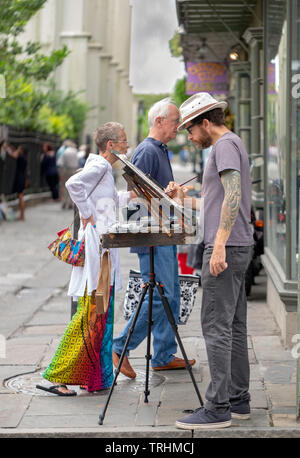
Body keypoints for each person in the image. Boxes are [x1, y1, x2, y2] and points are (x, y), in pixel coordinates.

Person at [167, 92, 253, 430]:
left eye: (190, 129)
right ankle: (237, 399)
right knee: (232, 326)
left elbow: (232, 195)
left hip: (227, 248)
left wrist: (217, 246)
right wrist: (181, 200)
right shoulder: (228, 145)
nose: (188, 135)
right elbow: (216, 203)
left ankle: (218, 407)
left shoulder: (224, 146)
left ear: (206, 122)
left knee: (216, 326)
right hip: (234, 245)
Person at [36, 122, 134, 396]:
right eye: (124, 140)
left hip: (102, 252)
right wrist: (87, 213)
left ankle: (97, 379)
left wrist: (140, 194)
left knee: (99, 318)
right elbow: (73, 183)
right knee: (91, 316)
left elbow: (114, 199)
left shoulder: (105, 171)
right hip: (96, 253)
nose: (127, 145)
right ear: (111, 145)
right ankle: (58, 376)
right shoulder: (101, 166)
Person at [112, 98, 196, 378]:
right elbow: (135, 200)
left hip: (163, 235)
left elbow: (151, 194)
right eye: (175, 122)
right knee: (162, 295)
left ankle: (162, 354)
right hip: (153, 236)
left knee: (170, 297)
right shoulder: (148, 151)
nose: (179, 128)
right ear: (159, 121)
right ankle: (120, 346)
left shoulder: (158, 150)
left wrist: (168, 193)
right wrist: (166, 198)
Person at [7, 144, 28, 221]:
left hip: (19, 178)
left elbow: (13, 155)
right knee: (20, 196)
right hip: (22, 177)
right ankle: (22, 215)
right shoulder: (24, 158)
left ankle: (22, 215)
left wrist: (6, 148)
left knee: (20, 196)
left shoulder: (21, 157)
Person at [57, 141, 79, 209]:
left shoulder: (65, 152)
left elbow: (60, 163)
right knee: (72, 187)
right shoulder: (75, 151)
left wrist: (61, 174)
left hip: (66, 170)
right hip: (74, 170)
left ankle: (64, 202)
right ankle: (70, 203)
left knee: (64, 187)